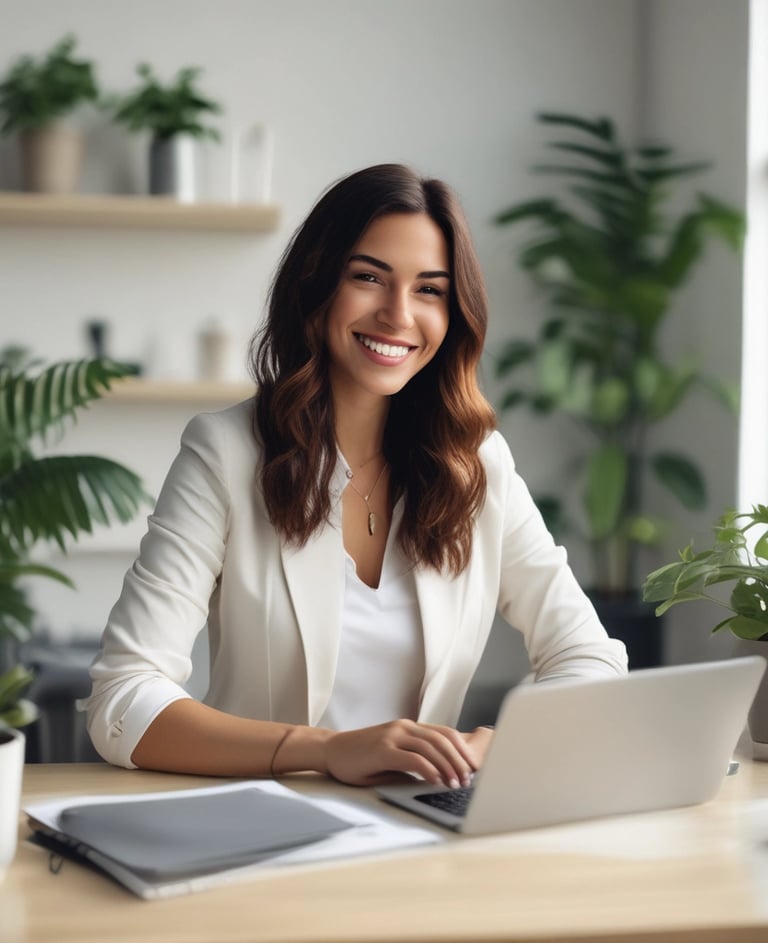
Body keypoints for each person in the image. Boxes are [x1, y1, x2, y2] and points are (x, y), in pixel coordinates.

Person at [84, 163, 627, 789]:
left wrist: (499, 743)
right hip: (261, 826)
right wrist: (324, 749)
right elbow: (123, 701)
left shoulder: (476, 464)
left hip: (423, 834)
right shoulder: (226, 453)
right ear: (316, 289)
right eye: (369, 277)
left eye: (430, 290)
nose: (398, 315)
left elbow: (589, 656)